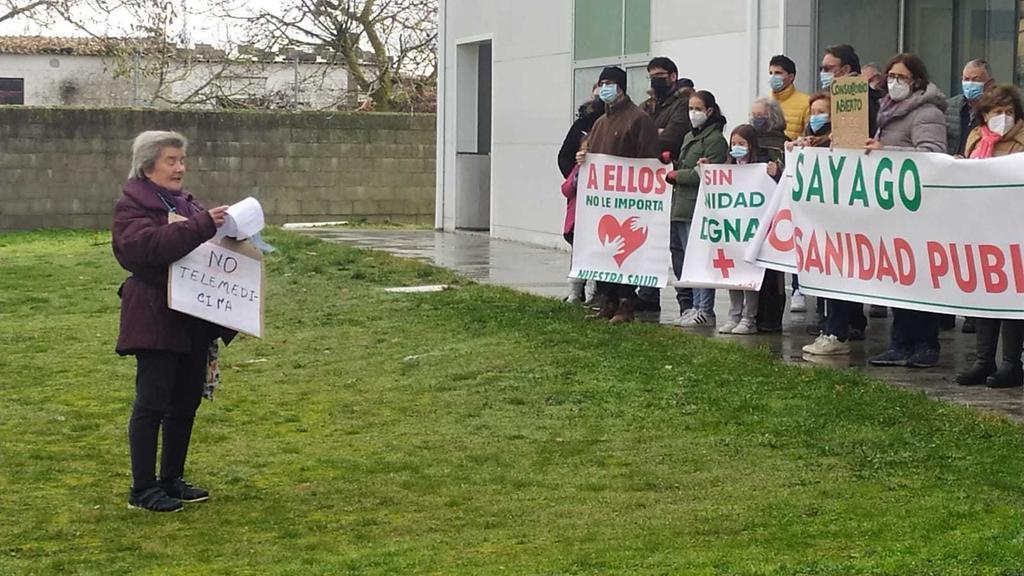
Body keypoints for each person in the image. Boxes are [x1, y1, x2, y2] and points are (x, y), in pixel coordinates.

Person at [113, 131, 233, 512]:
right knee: (152, 403)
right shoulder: (132, 206)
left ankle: (171, 479)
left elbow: (202, 244)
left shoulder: (185, 202)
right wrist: (201, 227)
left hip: (191, 317)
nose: (180, 167)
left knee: (184, 403)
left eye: (182, 160)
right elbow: (143, 249)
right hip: (154, 316)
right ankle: (142, 489)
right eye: (171, 160)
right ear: (148, 166)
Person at [865, 53, 947, 369]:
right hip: (894, 210)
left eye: (901, 76)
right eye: (890, 76)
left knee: (919, 279)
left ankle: (926, 344)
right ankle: (900, 343)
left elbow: (932, 156)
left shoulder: (927, 113)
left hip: (920, 210)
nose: (894, 82)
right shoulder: (887, 111)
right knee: (897, 279)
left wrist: (888, 152)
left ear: (916, 80)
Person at [953, 85, 1024, 388]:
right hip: (981, 227)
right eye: (998, 112)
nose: (1004, 117)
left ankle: (1011, 363)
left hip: (1014, 230)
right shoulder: (975, 140)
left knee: (1011, 296)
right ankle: (984, 361)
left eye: (1010, 112)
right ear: (985, 114)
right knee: (984, 294)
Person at [584, 66, 660, 324]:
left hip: (629, 198)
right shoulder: (600, 123)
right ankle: (608, 299)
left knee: (627, 249)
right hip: (604, 199)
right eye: (601, 82)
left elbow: (648, 159)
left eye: (609, 83)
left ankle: (626, 301)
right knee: (605, 247)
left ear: (620, 86)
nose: (604, 87)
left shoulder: (638, 119)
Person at [636, 57, 695, 313]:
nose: (654, 80)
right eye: (651, 75)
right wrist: (655, 132)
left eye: (659, 75)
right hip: (649, 185)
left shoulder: (683, 105)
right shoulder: (648, 105)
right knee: (649, 238)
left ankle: (687, 301)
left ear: (672, 76)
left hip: (671, 183)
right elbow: (633, 131)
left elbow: (672, 138)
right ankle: (648, 293)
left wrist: (653, 134)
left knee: (677, 245)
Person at [666, 90, 728, 327]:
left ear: (709, 111)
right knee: (686, 259)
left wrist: (676, 174)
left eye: (697, 108)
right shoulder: (689, 137)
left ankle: (705, 308)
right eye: (690, 108)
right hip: (681, 204)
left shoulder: (715, 141)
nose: (693, 113)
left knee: (701, 258)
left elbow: (705, 175)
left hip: (698, 206)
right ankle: (692, 305)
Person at [944, 59, 996, 334]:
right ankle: (949, 310)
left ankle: (976, 313)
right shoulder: (953, 107)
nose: (970, 84)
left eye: (976, 78)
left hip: (982, 191)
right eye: (966, 77)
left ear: (989, 82)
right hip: (954, 185)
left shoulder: (997, 109)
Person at [718, 123, 780, 335]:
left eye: (741, 144)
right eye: (733, 143)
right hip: (733, 231)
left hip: (753, 232)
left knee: (749, 275)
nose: (736, 147)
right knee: (733, 274)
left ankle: (748, 318)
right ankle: (734, 314)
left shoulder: (762, 166)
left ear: (751, 145)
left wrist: (776, 173)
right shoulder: (728, 167)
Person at [749, 97, 789, 332]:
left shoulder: (781, 144)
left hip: (772, 215)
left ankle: (772, 318)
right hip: (751, 214)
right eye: (754, 115)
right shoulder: (749, 141)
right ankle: (753, 315)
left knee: (772, 270)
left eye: (760, 115)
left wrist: (779, 171)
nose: (756, 119)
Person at [768, 54, 811, 141]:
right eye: (770, 73)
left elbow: (808, 137)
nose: (773, 77)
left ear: (791, 77)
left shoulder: (806, 102)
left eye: (778, 73)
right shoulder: (765, 102)